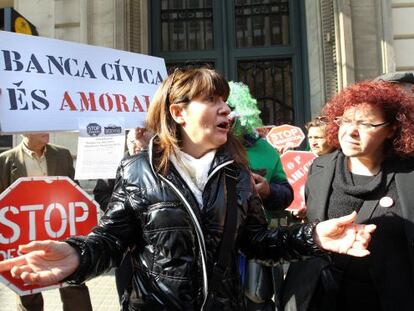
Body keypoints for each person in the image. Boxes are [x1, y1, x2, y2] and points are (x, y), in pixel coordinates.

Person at [0, 68, 375, 310]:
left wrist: (313, 238)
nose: (226, 111)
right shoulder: (137, 171)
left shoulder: (237, 175)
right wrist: (76, 255)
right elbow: (111, 241)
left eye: (225, 102)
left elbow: (258, 242)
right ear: (178, 113)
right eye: (211, 100)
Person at [282, 80, 414, 311]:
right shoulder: (320, 168)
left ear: (392, 129)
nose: (351, 132)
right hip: (321, 298)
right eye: (346, 120)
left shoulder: (409, 175)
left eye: (365, 124)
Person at [0, 133, 92, 311]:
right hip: (25, 242)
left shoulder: (63, 155)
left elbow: (75, 192)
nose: (47, 130)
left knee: (74, 286)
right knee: (28, 292)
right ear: (23, 131)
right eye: (39, 126)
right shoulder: (4, 161)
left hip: (62, 235)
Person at [227, 81, 293, 310]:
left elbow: (286, 193)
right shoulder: (204, 149)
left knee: (256, 300)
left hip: (256, 244)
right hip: (214, 249)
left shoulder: (265, 150)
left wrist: (268, 190)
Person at [93, 127, 150, 306]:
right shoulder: (114, 163)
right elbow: (100, 192)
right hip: (124, 241)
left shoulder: (156, 165)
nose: (136, 146)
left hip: (148, 241)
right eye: (132, 142)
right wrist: (120, 211)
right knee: (124, 289)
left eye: (140, 142)